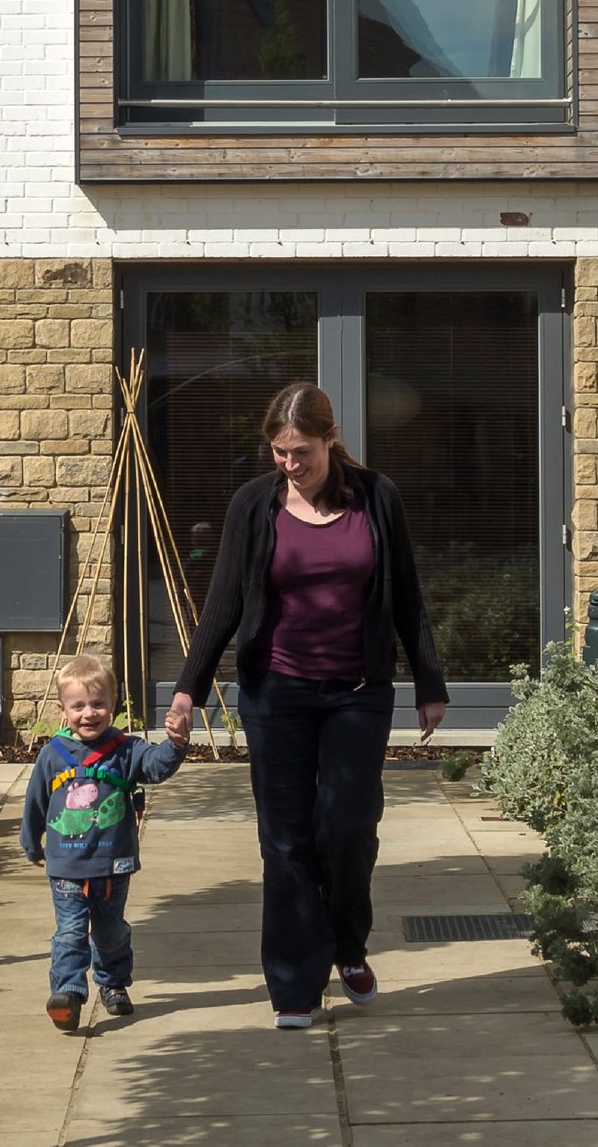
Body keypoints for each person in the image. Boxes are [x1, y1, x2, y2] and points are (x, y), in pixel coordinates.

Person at [164, 379, 447, 1028]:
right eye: (280, 451)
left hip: (358, 693)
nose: (291, 464)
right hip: (276, 693)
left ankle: (347, 945)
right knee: (285, 839)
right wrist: (188, 690)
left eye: (302, 451)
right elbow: (223, 602)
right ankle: (294, 982)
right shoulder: (253, 504)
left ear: (329, 438)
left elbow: (406, 593)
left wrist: (429, 683)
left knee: (347, 828)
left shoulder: (377, 496)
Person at [20, 654, 185, 1031]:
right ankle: (67, 994)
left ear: (114, 703)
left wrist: (175, 744)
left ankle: (113, 984)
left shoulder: (127, 749)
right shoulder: (53, 754)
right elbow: (35, 801)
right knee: (70, 933)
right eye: (78, 706)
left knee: (111, 932)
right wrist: (31, 841)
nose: (88, 713)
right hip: (66, 867)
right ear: (63, 710)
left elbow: (156, 766)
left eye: (97, 704)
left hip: (114, 865)